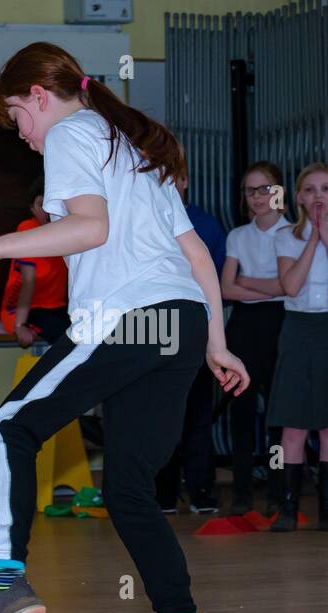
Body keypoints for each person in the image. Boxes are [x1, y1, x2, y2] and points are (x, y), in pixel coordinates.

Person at [0, 43, 249, 613]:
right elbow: (192, 252)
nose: (22, 135)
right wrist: (216, 341)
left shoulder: (73, 133)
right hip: (179, 324)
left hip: (127, 318)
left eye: (18, 118)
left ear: (40, 96)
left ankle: (3, 582)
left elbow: (88, 230)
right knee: (130, 488)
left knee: (8, 426)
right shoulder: (135, 147)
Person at [219, 161, 291, 514]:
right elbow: (225, 288)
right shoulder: (237, 236)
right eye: (250, 190)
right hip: (245, 326)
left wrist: (247, 284)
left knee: (278, 418)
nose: (258, 197)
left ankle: (278, 494)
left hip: (281, 325)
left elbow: (289, 287)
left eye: (265, 189)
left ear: (278, 191)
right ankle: (242, 495)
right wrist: (272, 288)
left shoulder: (294, 234)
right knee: (241, 413)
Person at [154, 163, 224, 514]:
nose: (166, 181)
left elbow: (218, 280)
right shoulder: (146, 215)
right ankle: (163, 494)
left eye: (173, 175)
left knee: (198, 413)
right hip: (156, 326)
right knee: (163, 412)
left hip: (196, 326)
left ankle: (201, 492)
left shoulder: (207, 224)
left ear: (184, 181)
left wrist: (217, 342)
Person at [268, 161, 328, 532]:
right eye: (311, 190)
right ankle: (288, 508)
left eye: (325, 189)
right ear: (300, 196)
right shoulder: (286, 236)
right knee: (293, 423)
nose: (318, 196)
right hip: (298, 327)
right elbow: (290, 286)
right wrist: (312, 238)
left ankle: (326, 510)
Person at [0, 177, 70, 348]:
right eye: (41, 204)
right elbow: (28, 281)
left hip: (57, 306)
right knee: (65, 339)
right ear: (31, 208)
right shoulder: (27, 229)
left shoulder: (66, 230)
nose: (48, 210)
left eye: (52, 203)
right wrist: (19, 325)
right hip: (24, 308)